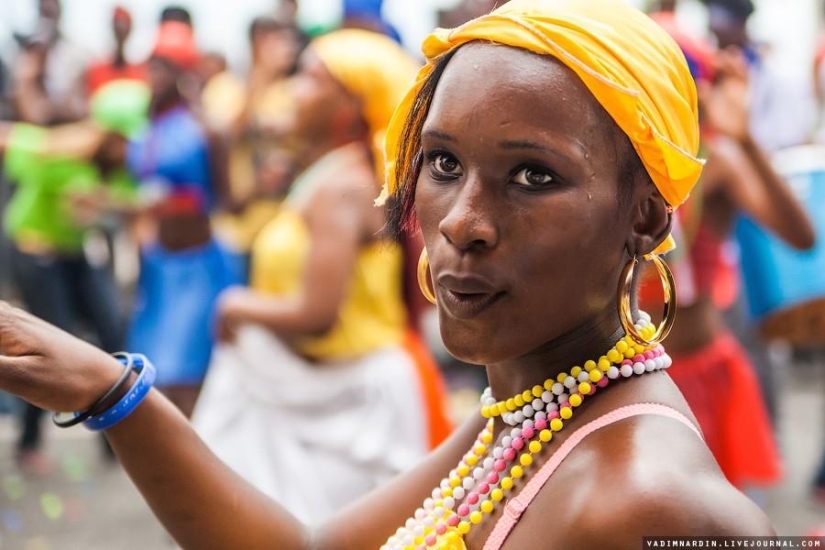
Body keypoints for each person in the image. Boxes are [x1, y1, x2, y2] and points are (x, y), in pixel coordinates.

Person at [0, 1, 775, 548]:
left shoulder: (641, 502)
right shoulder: (528, 410)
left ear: (644, 218)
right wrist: (109, 392)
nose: (459, 221)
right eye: (441, 163)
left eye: (533, 176)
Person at [191, 30, 453, 524]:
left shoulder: (343, 187)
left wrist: (234, 305)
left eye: (310, 79)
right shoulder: (327, 176)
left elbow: (317, 315)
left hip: (360, 403)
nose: (292, 90)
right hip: (331, 392)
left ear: (348, 109)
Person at [646, 13, 815, 492]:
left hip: (703, 374)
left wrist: (744, 137)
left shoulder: (715, 162)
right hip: (621, 380)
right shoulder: (610, 162)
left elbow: (801, 237)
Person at [1, 79, 149, 470]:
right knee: (50, 341)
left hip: (75, 253)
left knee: (112, 332)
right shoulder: (57, 153)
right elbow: (9, 138)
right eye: (122, 137)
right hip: (36, 253)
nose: (127, 146)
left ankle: (114, 441)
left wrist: (106, 203)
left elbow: (132, 202)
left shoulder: (118, 166)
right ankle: (29, 442)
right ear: (106, 132)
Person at [125, 18, 240, 418]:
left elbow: (227, 200)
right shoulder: (146, 128)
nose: (153, 74)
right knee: (155, 379)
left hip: (199, 266)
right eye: (151, 65)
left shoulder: (206, 130)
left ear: (182, 72)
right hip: (159, 266)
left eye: (164, 66)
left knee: (187, 381)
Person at [11, 0, 90, 125]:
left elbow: (80, 103)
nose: (47, 16)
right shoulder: (28, 52)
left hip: (68, 126)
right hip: (35, 127)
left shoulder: (77, 53)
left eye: (51, 10)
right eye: (44, 10)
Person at [86, 6, 147, 95]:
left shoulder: (140, 71)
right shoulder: (96, 69)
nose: (120, 29)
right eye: (117, 25)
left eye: (124, 26)